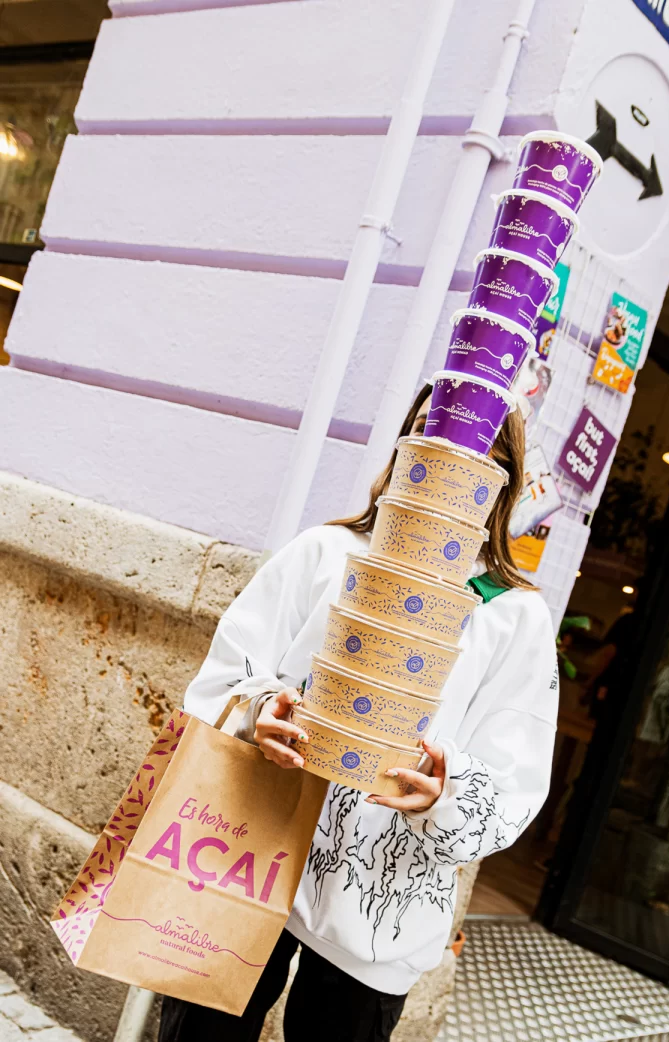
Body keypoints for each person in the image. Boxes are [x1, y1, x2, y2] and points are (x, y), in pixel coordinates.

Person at [158, 384, 559, 1042]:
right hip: (246, 860)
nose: (452, 451)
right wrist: (258, 713)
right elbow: (225, 675)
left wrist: (446, 794)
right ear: (408, 446)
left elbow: (514, 779)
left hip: (379, 918)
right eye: (435, 429)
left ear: (503, 476)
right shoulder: (324, 553)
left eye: (477, 439)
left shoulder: (515, 617)